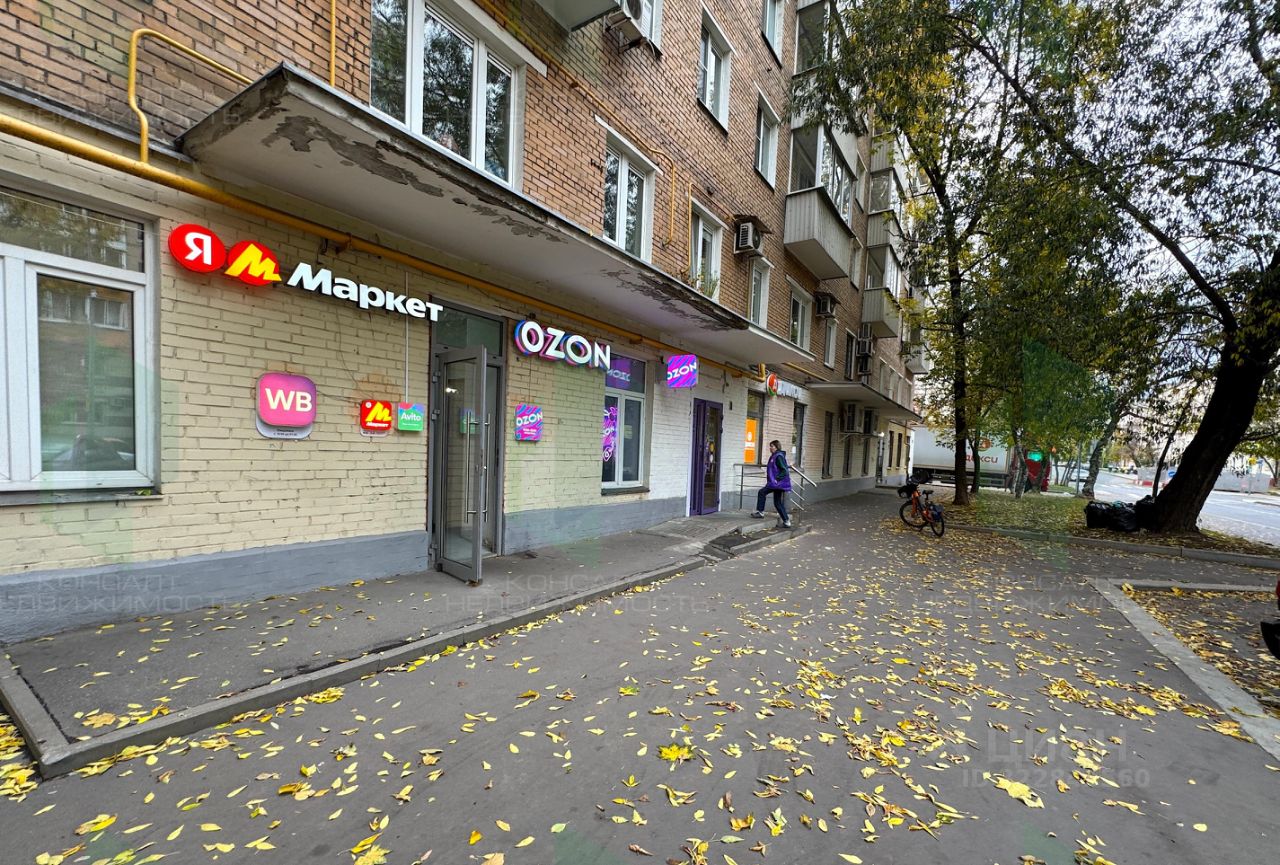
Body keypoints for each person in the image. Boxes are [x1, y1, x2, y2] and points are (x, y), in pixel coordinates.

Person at [751, 439, 792, 527]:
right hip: (776, 483)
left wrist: (777, 479)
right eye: (770, 446)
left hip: (776, 483)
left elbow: (784, 470)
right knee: (777, 503)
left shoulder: (778, 456)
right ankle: (787, 521)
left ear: (776, 447)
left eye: (772, 446)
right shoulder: (775, 456)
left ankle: (760, 512)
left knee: (762, 492)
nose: (770, 448)